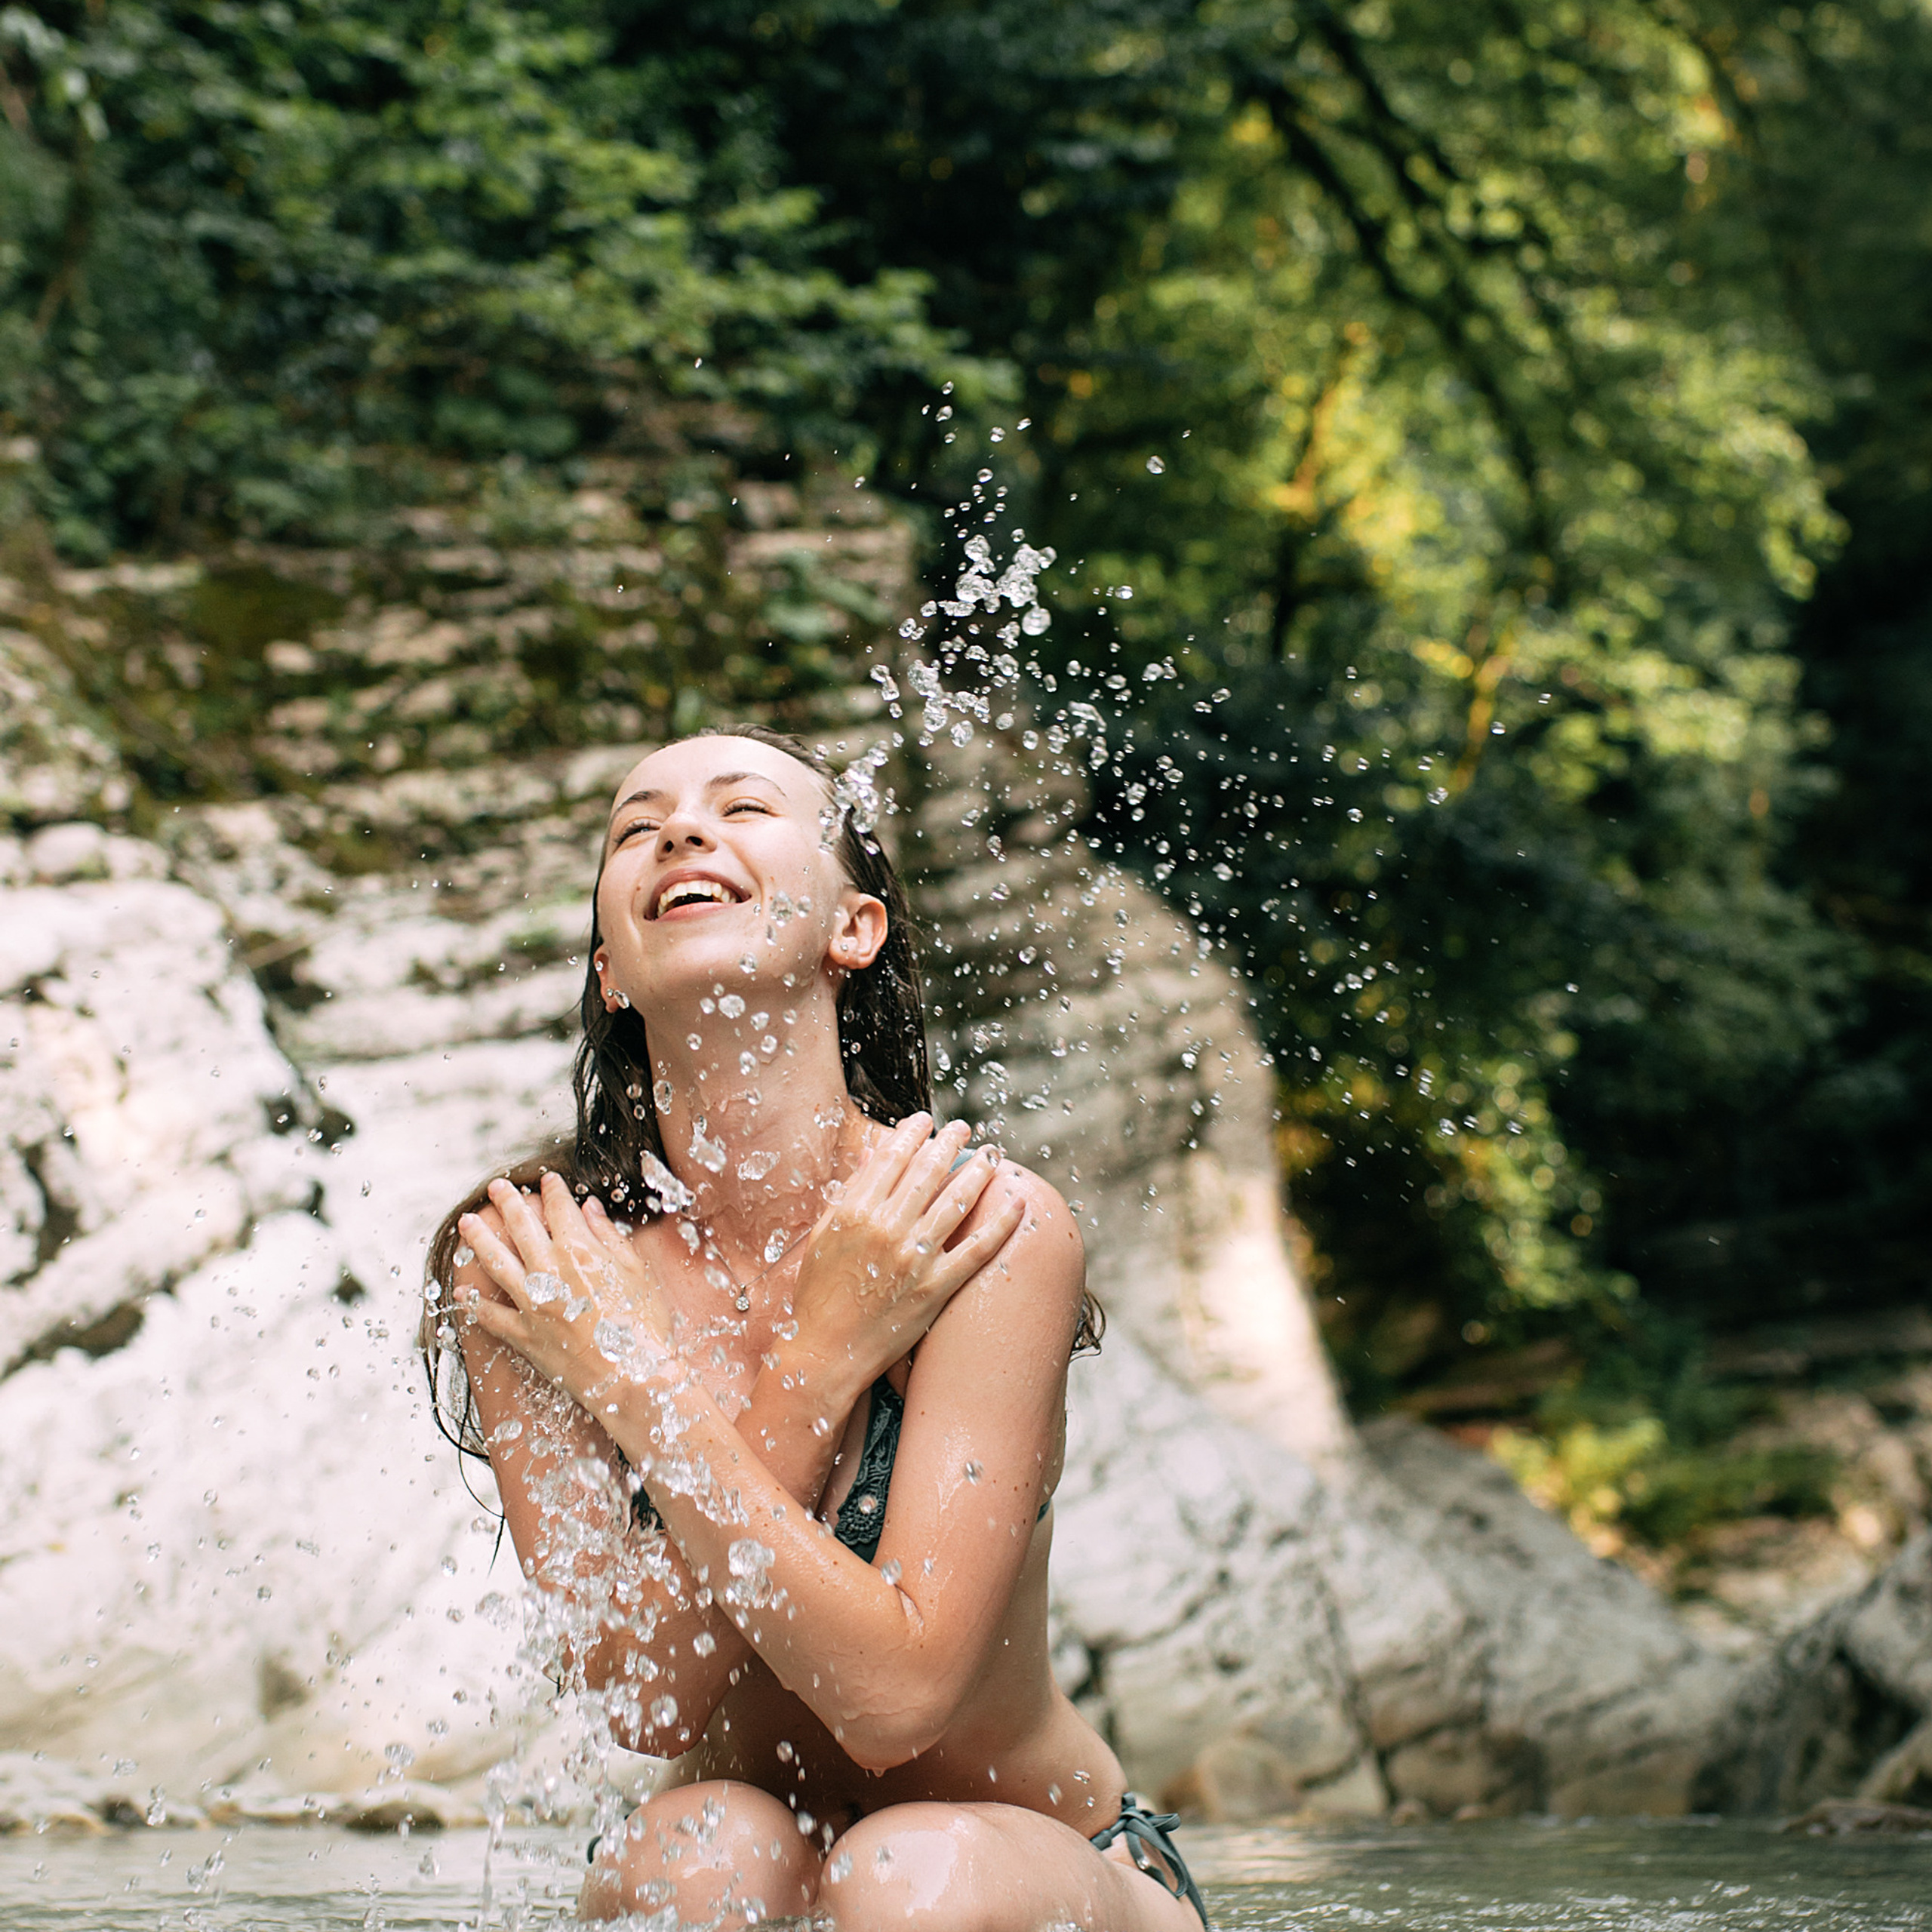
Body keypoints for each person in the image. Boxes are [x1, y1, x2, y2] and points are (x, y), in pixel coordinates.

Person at [423, 726, 1209, 1928]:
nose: (683, 831)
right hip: (755, 1854)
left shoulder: (974, 1231)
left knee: (902, 1877)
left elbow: (897, 1704)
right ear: (611, 973)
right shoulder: (540, 1273)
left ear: (856, 928)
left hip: (1039, 1868)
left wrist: (659, 1385)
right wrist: (809, 1362)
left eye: (744, 809)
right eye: (638, 827)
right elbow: (648, 1703)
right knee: (694, 1855)